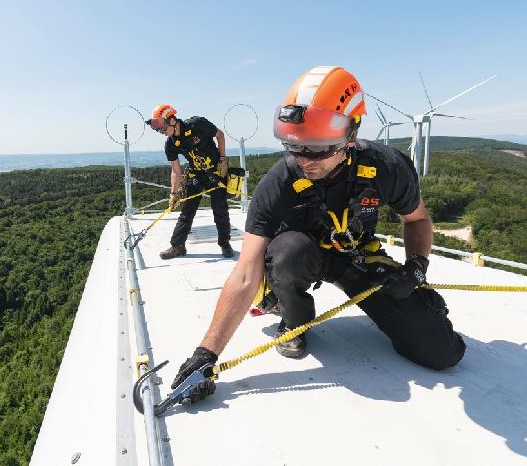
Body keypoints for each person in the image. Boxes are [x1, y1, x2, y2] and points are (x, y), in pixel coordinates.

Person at [171, 66, 466, 401]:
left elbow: (416, 220)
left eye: (320, 148)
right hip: (298, 256)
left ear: (350, 135)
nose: (306, 160)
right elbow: (245, 271)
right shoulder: (280, 181)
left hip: (356, 254)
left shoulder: (387, 168)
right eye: (295, 147)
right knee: (288, 253)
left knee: (443, 353)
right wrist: (206, 354)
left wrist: (416, 267)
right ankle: (293, 317)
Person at [146, 104, 234, 260]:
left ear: (172, 120)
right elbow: (176, 170)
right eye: (159, 130)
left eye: (163, 128)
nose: (162, 133)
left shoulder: (197, 124)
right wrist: (173, 193)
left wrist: (222, 158)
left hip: (216, 172)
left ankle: (225, 244)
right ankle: (178, 246)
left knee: (220, 209)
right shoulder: (171, 144)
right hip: (196, 174)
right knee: (187, 211)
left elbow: (219, 135)